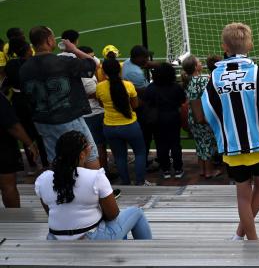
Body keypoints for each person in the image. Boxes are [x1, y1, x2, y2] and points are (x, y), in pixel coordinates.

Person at [200, 23, 259, 241]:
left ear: (224, 46)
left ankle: (242, 235)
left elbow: (209, 110)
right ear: (250, 45)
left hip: (232, 143)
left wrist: (223, 133)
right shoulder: (258, 72)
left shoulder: (214, 76)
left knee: (243, 194)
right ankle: (251, 240)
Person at [35, 131, 152, 240]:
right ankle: (148, 255)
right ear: (81, 155)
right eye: (88, 146)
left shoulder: (43, 179)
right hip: (91, 238)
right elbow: (112, 214)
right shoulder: (96, 177)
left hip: (55, 238)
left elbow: (50, 211)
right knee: (136, 212)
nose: (91, 147)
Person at [19, 26, 99, 169]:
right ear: (49, 40)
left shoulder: (24, 68)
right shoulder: (62, 61)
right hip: (68, 117)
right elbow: (92, 65)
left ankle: (62, 188)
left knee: (56, 159)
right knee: (88, 155)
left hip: (43, 120)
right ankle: (93, 188)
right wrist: (73, 49)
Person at [96, 58, 150, 186]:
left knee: (120, 157)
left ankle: (125, 183)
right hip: (129, 125)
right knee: (140, 153)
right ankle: (140, 182)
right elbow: (135, 104)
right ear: (119, 70)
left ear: (104, 72)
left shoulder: (100, 87)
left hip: (109, 127)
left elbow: (101, 104)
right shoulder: (128, 85)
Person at [4, 37, 49, 170]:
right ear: (27, 50)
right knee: (40, 133)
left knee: (26, 132)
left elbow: (6, 83)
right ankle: (46, 162)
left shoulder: (11, 65)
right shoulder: (32, 64)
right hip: (33, 100)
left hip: (17, 101)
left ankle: (32, 163)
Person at [144, 63, 187, 179]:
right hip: (173, 118)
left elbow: (146, 103)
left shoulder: (151, 88)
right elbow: (182, 101)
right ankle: (178, 169)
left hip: (157, 120)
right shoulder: (176, 87)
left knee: (161, 144)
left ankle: (166, 170)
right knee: (175, 144)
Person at [181, 55, 219, 178]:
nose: (201, 63)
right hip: (202, 116)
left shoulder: (189, 81)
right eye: (199, 62)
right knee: (207, 143)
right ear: (195, 67)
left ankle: (202, 170)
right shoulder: (202, 80)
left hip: (192, 117)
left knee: (199, 144)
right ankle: (209, 171)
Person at [0, 92, 39, 208]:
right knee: (8, 186)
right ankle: (13, 216)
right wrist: (30, 143)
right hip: (2, 147)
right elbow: (13, 126)